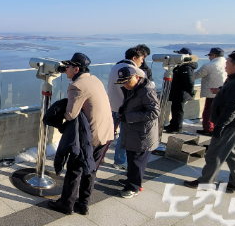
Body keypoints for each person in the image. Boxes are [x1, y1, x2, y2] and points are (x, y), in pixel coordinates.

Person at [49, 53, 114, 215]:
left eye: (68, 67)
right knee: (90, 168)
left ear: (76, 68)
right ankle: (83, 203)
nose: (65, 70)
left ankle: (66, 204)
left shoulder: (77, 85)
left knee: (74, 170)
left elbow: (71, 114)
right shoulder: (94, 80)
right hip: (106, 132)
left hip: (90, 136)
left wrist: (57, 114)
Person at [184, 51, 235, 192]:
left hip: (232, 124)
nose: (225, 66)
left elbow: (233, 107)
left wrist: (220, 126)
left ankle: (205, 182)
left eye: (228, 63)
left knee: (214, 153)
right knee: (232, 153)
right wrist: (221, 90)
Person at [115, 66, 160, 198]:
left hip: (142, 134)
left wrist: (129, 117)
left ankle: (133, 187)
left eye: (128, 81)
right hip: (134, 132)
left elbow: (155, 111)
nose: (125, 84)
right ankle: (132, 180)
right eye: (123, 81)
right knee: (132, 160)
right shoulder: (134, 88)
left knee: (137, 161)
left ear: (137, 77)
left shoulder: (146, 91)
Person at [107, 47, 147, 171]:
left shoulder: (114, 68)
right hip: (126, 109)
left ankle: (98, 156)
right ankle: (119, 161)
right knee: (123, 136)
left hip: (111, 105)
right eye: (141, 59)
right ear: (134, 58)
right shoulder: (136, 71)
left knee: (106, 133)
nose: (142, 62)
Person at [193, 48, 227, 135]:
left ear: (214, 56)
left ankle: (208, 129)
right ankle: (217, 128)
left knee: (209, 111)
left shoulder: (209, 66)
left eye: (210, 56)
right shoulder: (228, 64)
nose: (209, 58)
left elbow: (195, 76)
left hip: (212, 92)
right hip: (225, 91)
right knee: (220, 112)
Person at [164, 48, 198, 133]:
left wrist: (191, 92)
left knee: (179, 110)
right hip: (177, 92)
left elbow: (189, 81)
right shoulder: (181, 66)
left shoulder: (186, 67)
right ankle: (173, 124)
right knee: (175, 109)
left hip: (181, 93)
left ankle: (177, 127)